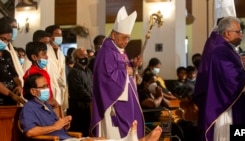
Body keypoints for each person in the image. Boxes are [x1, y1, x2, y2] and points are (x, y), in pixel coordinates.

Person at [20, 73, 163, 141]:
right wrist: (56, 126)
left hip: (67, 138)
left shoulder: (45, 104)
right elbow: (30, 132)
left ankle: (133, 140)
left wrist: (64, 124)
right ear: (33, 91)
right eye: (43, 87)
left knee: (102, 140)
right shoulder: (29, 108)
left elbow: (57, 126)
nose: (47, 89)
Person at [90, 6, 145, 139]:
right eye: (124, 38)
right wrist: (128, 72)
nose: (126, 41)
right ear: (114, 35)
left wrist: (134, 64)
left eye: (128, 38)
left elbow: (123, 68)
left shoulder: (119, 50)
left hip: (126, 98)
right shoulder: (107, 51)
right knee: (117, 133)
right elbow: (106, 77)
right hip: (114, 101)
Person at [193, 16, 245, 141]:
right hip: (226, 106)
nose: (241, 34)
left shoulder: (226, 49)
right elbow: (232, 80)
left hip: (234, 103)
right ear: (227, 33)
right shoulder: (221, 52)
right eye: (238, 31)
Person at [23, 41, 58, 107]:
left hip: (48, 105)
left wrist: (52, 99)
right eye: (43, 54)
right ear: (34, 57)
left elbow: (48, 89)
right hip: (38, 106)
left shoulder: (44, 72)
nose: (46, 57)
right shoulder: (31, 73)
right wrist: (47, 102)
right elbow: (29, 94)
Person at [67, 48, 92, 136]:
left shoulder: (88, 71)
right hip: (78, 107)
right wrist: (91, 99)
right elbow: (79, 89)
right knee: (80, 131)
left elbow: (91, 87)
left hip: (88, 106)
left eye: (86, 55)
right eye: (82, 56)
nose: (85, 57)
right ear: (76, 59)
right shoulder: (74, 72)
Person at [0, 18, 24, 105]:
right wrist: (11, 95)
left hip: (12, 99)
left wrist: (19, 86)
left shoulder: (6, 54)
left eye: (8, 40)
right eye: (2, 39)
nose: (5, 42)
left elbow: (14, 74)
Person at [45, 25, 67, 107]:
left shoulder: (61, 54)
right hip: (49, 90)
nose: (60, 37)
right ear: (50, 36)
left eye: (60, 35)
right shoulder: (45, 52)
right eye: (57, 34)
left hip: (60, 89)